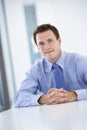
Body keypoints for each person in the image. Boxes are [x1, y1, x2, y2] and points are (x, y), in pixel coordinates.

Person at [13, 23, 87, 107]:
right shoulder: (34, 71)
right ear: (37, 47)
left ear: (59, 41)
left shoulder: (79, 61)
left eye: (50, 41)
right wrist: (44, 98)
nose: (46, 47)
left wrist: (74, 95)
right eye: (41, 43)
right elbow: (18, 99)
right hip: (53, 117)